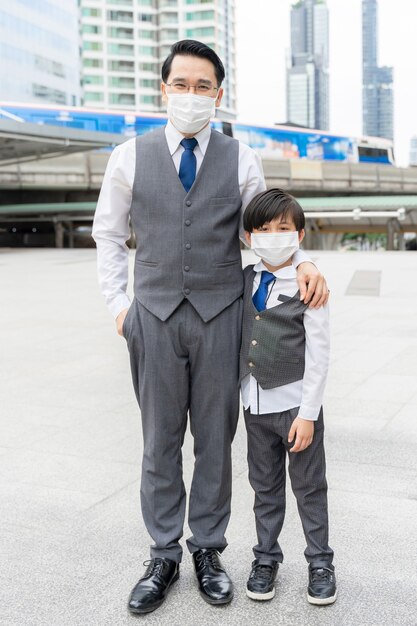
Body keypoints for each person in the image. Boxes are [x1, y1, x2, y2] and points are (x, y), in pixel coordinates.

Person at [92, 40, 329, 615]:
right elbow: (107, 234)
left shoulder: (242, 157)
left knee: (216, 444)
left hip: (223, 317)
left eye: (204, 87)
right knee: (160, 441)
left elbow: (268, 230)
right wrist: (119, 306)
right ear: (164, 89)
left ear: (218, 95)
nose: (192, 95)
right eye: (182, 84)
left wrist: (305, 262)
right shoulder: (129, 156)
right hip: (152, 315)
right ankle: (163, 553)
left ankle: (208, 550)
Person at [240, 188, 336, 606]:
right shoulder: (243, 279)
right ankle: (265, 559)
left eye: (282, 229)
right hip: (254, 407)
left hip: (297, 406)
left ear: (299, 236)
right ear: (248, 237)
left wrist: (309, 414)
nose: (272, 236)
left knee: (309, 487)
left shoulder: (308, 284)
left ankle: (320, 563)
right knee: (265, 488)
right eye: (263, 230)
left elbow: (319, 354)